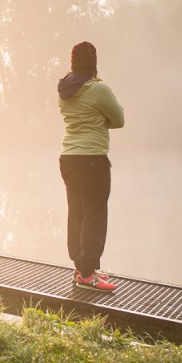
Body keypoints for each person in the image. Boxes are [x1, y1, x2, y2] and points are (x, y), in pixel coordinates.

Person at [57, 41, 124, 292]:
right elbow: (119, 119)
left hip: (68, 158)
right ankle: (87, 274)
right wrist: (100, 119)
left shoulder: (64, 89)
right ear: (93, 62)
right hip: (92, 158)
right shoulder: (99, 89)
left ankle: (81, 268)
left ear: (73, 62)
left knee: (76, 213)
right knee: (94, 214)